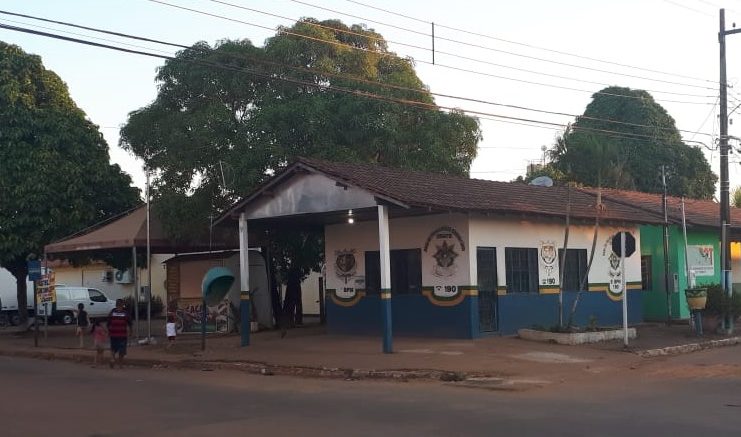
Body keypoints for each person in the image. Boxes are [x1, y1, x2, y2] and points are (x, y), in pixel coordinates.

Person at [107, 298, 132, 369]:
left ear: (116, 304)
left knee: (113, 348)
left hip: (113, 334)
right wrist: (131, 331)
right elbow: (129, 323)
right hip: (122, 334)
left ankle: (112, 359)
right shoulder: (125, 313)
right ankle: (120, 364)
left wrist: (109, 331)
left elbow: (108, 323)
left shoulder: (112, 312)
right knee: (122, 350)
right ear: (122, 304)